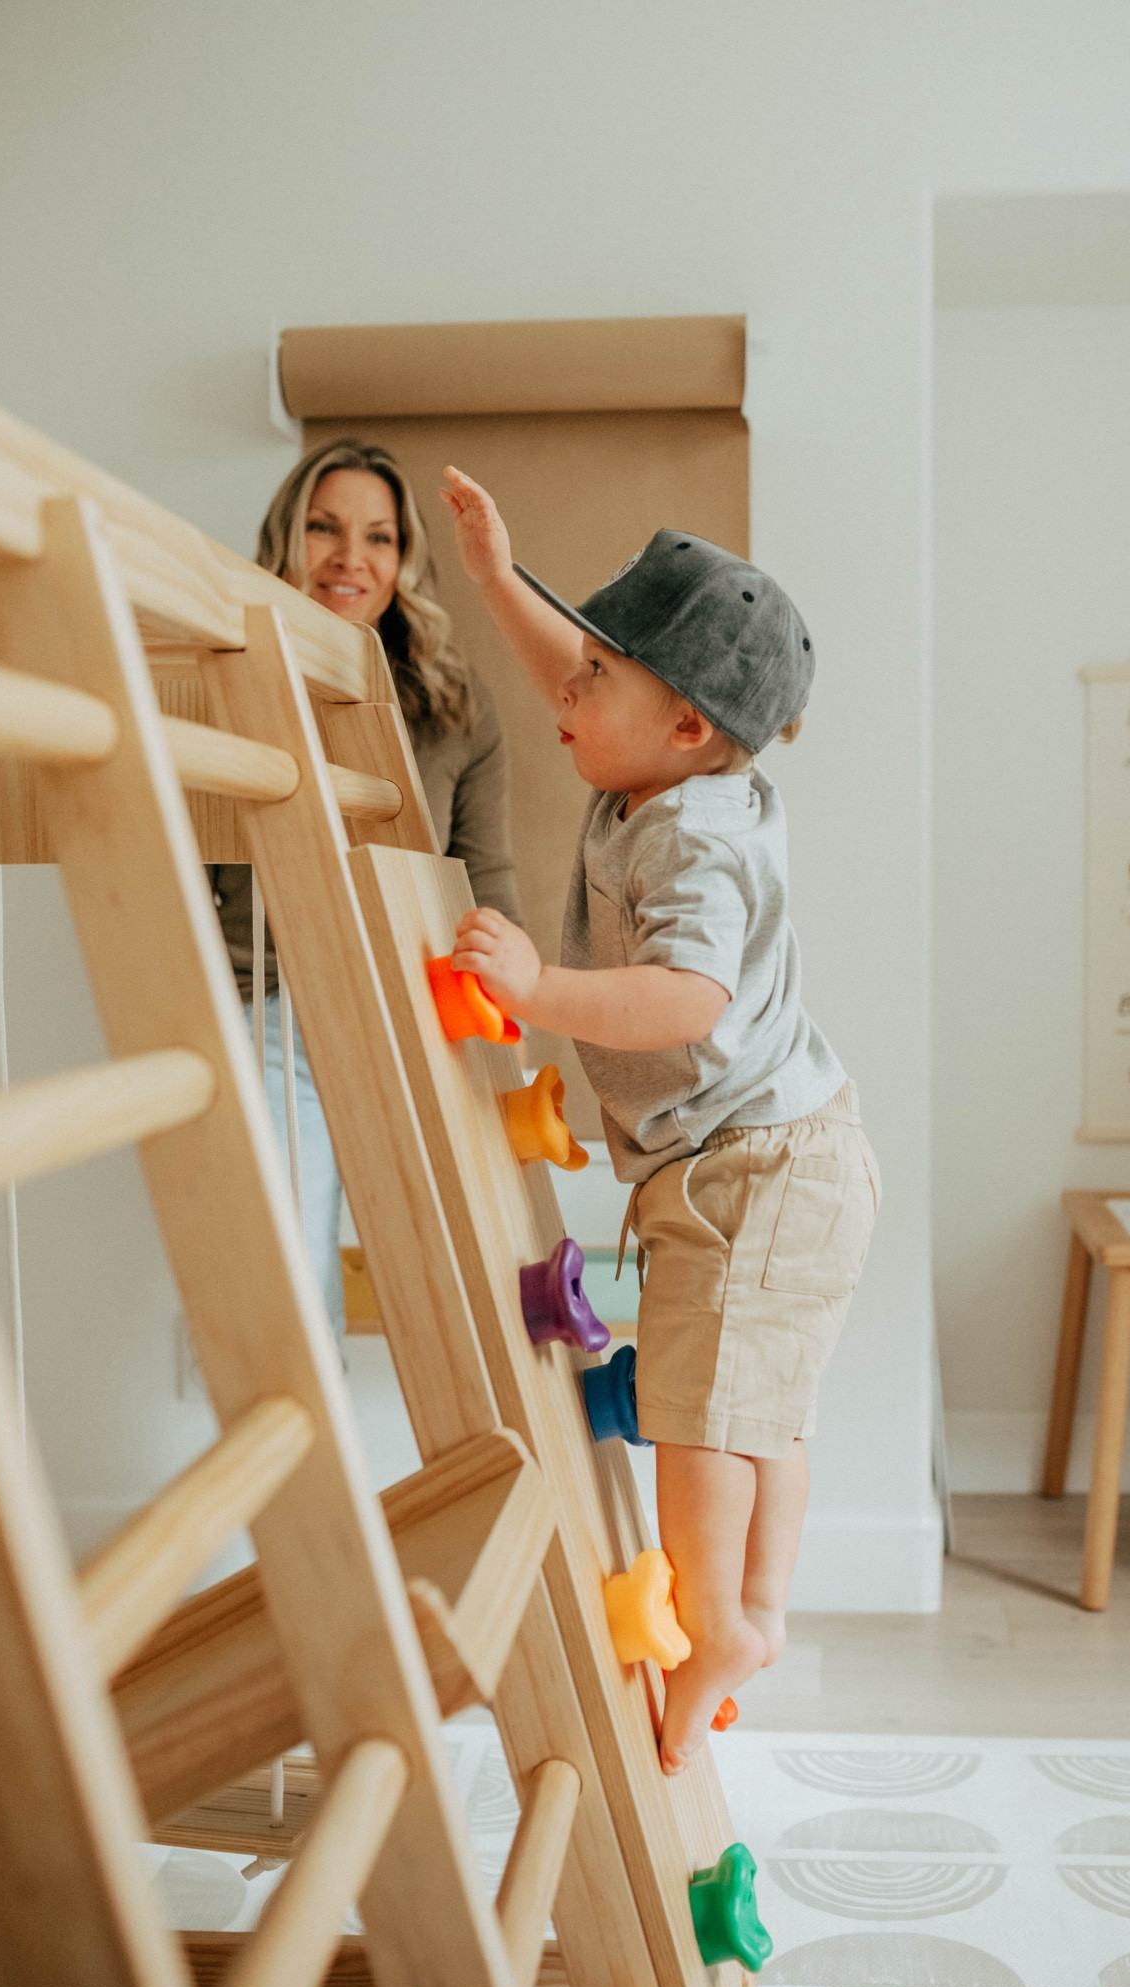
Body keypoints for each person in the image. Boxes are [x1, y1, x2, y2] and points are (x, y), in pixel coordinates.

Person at [441, 465, 880, 1774]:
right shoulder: (667, 765)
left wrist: (542, 988)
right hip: (794, 1155)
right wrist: (492, 578)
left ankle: (718, 1630)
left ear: (682, 724)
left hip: (752, 1172)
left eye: (593, 684)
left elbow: (687, 999)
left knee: (700, 1416)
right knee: (761, 1413)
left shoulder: (689, 835)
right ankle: (756, 1609)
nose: (566, 692)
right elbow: (578, 662)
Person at [209, 443, 522, 1343]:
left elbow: (485, 874)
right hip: (275, 1010)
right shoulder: (224, 677)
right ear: (285, 538)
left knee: (459, 1289)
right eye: (325, 527)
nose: (352, 557)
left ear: (403, 560)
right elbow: (190, 872)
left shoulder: (457, 704)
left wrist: (511, 1017)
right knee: (286, 1286)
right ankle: (317, 1480)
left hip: (419, 1012)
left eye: (378, 537)